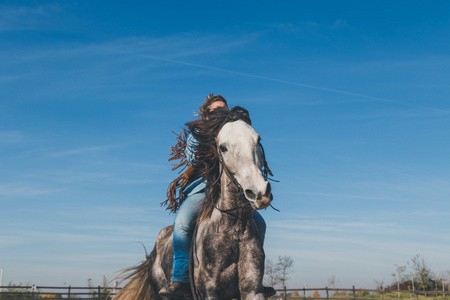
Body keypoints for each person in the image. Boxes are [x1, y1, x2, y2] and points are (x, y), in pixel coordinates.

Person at [159, 94, 274, 298]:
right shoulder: (198, 133)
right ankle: (180, 279)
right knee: (183, 222)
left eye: (223, 108)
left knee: (261, 224)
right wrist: (206, 134)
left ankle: (255, 279)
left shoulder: (234, 129)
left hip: (232, 193)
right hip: (203, 190)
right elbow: (192, 158)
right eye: (215, 110)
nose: (220, 111)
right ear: (206, 114)